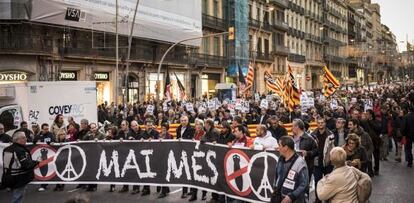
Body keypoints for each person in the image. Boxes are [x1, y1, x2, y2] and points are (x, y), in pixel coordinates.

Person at [2, 132, 40, 203]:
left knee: (15, 195)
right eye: (24, 137)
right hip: (19, 178)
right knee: (17, 197)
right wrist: (37, 161)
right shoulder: (20, 150)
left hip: (9, 176)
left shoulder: (7, 149)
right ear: (17, 139)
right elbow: (26, 165)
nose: (26, 139)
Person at [273, 136, 308, 203]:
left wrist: (291, 197)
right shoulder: (280, 159)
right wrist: (275, 188)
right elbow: (277, 176)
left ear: (286, 147)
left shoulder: (300, 162)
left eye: (279, 145)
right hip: (280, 198)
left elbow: (304, 184)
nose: (278, 148)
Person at [311, 117, 334, 203]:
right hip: (317, 161)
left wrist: (331, 159)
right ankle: (318, 199)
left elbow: (333, 147)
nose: (320, 124)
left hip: (328, 161)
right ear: (317, 124)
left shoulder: (330, 134)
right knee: (317, 181)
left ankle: (327, 199)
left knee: (328, 182)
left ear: (325, 123)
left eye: (322, 122)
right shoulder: (313, 134)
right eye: (319, 122)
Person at [291, 119, 318, 189]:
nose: (291, 128)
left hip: (305, 167)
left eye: (293, 126)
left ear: (297, 127)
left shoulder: (309, 138)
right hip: (292, 167)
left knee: (303, 188)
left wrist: (307, 153)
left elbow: (316, 151)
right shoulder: (291, 138)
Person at [176, 115, 195, 199]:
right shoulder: (178, 129)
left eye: (185, 120)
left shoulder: (192, 129)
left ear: (188, 121)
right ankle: (184, 191)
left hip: (190, 153)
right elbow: (177, 139)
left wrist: (182, 139)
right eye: (182, 120)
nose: (183, 122)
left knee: (191, 171)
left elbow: (191, 140)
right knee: (184, 172)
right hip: (181, 152)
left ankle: (191, 190)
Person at [189, 119, 207, 201]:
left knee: (203, 176)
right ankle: (194, 194)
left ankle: (204, 194)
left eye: (200, 124)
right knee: (194, 176)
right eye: (197, 124)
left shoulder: (205, 133)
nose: (198, 126)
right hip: (195, 157)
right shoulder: (195, 133)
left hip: (202, 157)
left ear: (202, 125)